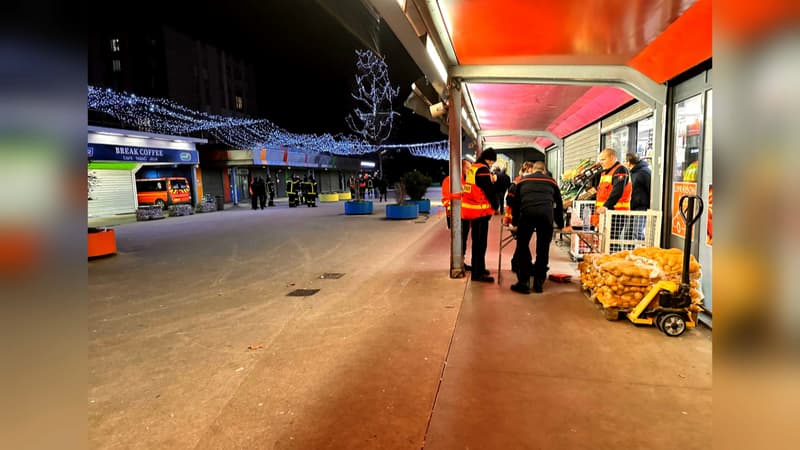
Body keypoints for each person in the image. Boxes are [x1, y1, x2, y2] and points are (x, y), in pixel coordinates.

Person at [506, 161, 564, 294]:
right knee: (543, 249)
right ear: (544, 171)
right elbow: (559, 205)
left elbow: (516, 203)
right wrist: (560, 224)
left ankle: (524, 282)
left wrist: (515, 222)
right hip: (546, 216)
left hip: (527, 214)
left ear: (533, 170)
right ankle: (538, 284)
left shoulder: (522, 181)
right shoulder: (552, 182)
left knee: (522, 245)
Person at [462, 148, 498, 282]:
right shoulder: (483, 170)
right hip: (480, 212)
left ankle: (480, 269)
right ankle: (478, 274)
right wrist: (496, 205)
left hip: (472, 210)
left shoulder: (473, 168)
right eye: (492, 162)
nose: (491, 165)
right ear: (489, 159)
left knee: (477, 242)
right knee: (480, 243)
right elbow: (489, 190)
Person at [593, 148, 632, 253]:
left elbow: (617, 191)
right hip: (606, 213)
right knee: (606, 240)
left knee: (612, 241)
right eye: (600, 159)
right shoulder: (605, 172)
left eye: (603, 159)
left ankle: (615, 262)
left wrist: (606, 206)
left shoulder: (620, 170)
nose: (600, 162)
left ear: (612, 158)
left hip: (616, 212)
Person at [442, 157, 474, 270]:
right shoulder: (449, 180)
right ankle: (456, 263)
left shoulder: (468, 181)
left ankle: (461, 262)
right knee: (457, 240)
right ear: (461, 168)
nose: (470, 170)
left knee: (463, 240)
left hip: (465, 215)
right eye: (468, 168)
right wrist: (461, 194)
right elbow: (446, 198)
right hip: (455, 216)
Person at [624, 152, 651, 241]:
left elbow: (650, 188)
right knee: (628, 233)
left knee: (637, 232)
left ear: (628, 162)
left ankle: (642, 251)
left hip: (641, 207)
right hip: (633, 206)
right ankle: (629, 253)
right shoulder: (634, 172)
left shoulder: (643, 172)